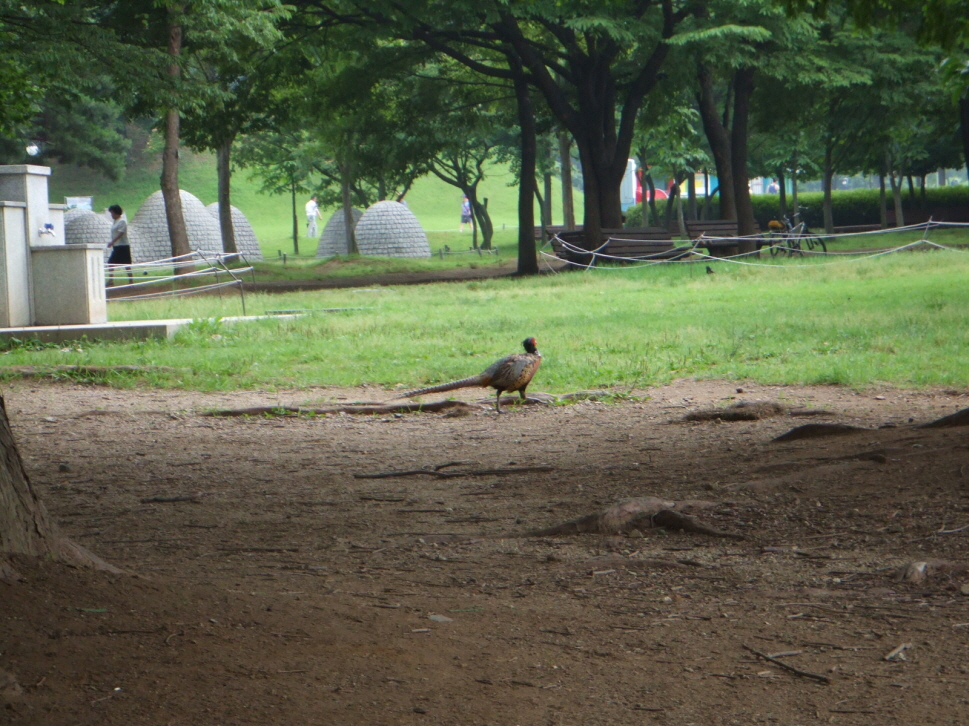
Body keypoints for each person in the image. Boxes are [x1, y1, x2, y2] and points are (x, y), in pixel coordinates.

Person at [106, 204, 133, 288]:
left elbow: (120, 233)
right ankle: (111, 280)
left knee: (127, 264)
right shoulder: (115, 222)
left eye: (113, 213)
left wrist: (112, 241)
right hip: (117, 246)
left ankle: (131, 281)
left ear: (117, 213)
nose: (112, 215)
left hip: (123, 246)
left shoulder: (122, 222)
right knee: (111, 262)